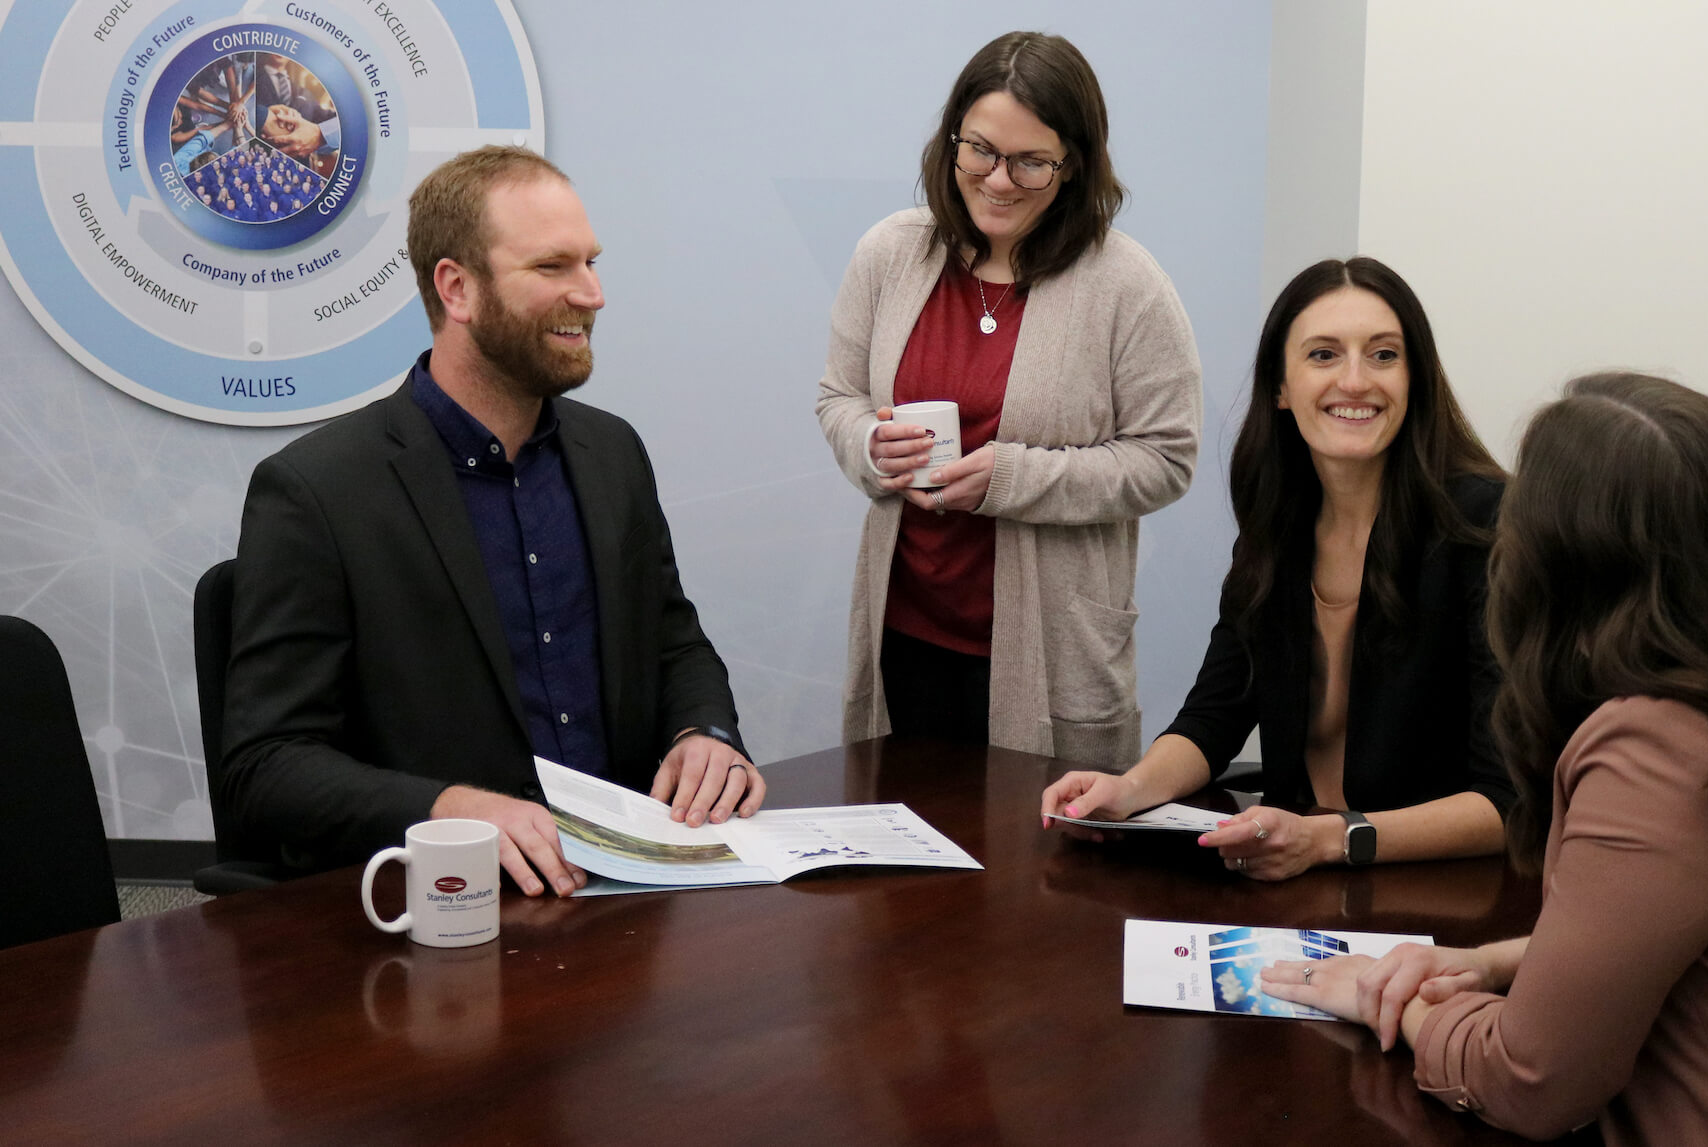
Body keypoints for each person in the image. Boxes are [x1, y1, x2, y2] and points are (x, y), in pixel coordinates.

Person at [1259, 373, 1708, 1143]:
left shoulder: (1664, 747)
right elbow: (1678, 928)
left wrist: (1393, 1003)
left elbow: (1530, 1080)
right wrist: (1493, 963)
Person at [221, 146, 764, 897]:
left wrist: (704, 732)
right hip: (446, 908)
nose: (593, 293)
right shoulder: (318, 491)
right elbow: (266, 766)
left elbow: (672, 639)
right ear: (458, 289)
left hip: (629, 895)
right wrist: (447, 809)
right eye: (552, 267)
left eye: (591, 263)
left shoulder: (612, 453)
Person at [1042, 257, 1512, 879]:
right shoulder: (1279, 524)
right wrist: (1127, 791)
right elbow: (1215, 716)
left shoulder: (1487, 525)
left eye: (1383, 355)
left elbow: (1507, 799)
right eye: (1323, 355)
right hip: (1300, 870)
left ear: (1416, 380)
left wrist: (1327, 839)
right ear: (1280, 388)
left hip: (1437, 887)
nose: (1355, 380)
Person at [815, 31, 1203, 765]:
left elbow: (1166, 459)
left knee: (1041, 841)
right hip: (904, 633)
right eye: (981, 151)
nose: (999, 180)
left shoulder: (1127, 285)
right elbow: (839, 396)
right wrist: (869, 443)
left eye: (1031, 161)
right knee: (899, 830)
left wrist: (1012, 477)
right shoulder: (891, 253)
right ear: (952, 142)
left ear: (1073, 164)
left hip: (1055, 652)